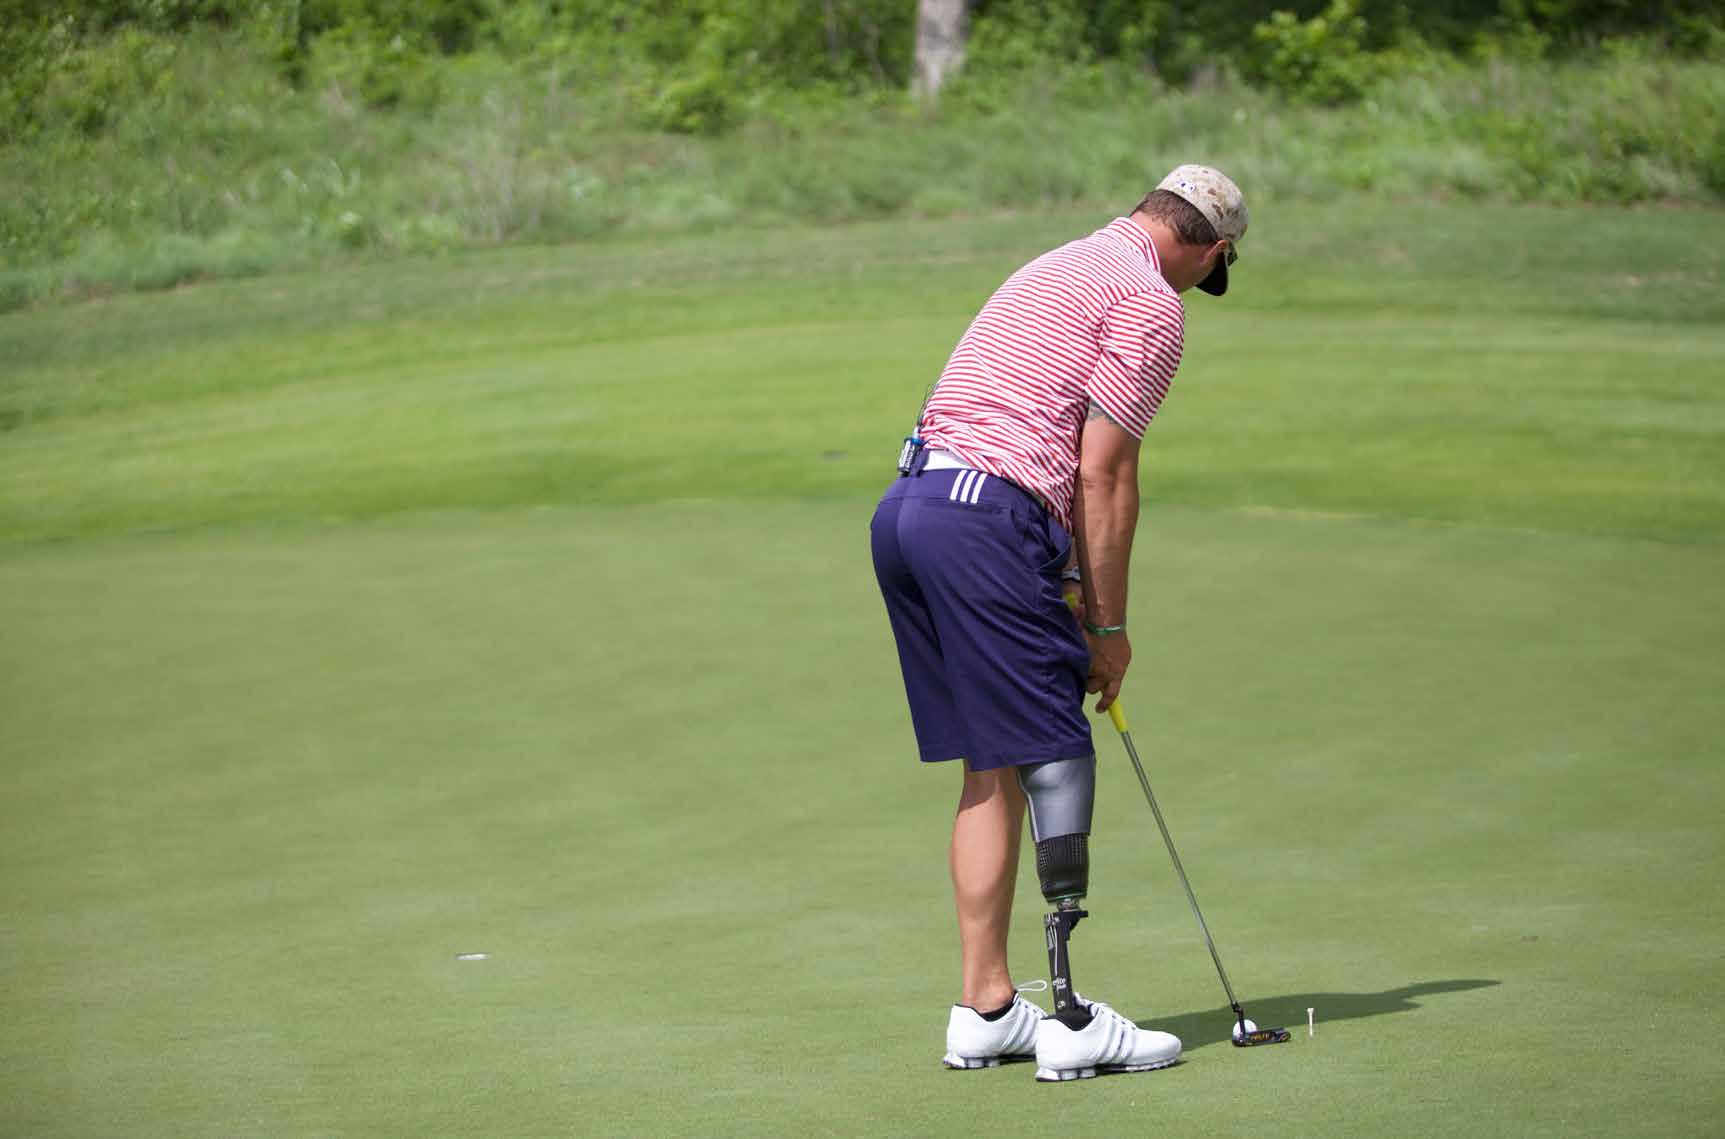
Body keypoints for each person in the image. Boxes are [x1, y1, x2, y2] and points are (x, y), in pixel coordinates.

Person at [869, 165, 1249, 1082]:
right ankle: (1071, 1018)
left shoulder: (1057, 264)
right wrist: (1106, 627)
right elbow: (1102, 473)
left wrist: (1070, 586)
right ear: (1209, 251)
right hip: (986, 520)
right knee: (1054, 754)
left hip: (910, 510)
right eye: (1210, 270)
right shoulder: (1149, 300)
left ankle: (986, 1008)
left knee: (992, 761)